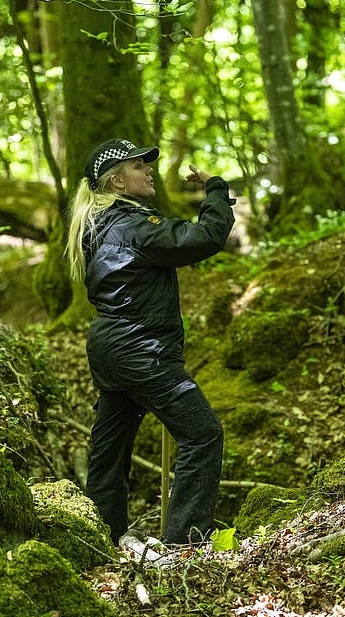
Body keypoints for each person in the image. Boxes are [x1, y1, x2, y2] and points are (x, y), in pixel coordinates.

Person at [65, 138, 236, 545]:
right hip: (141, 350)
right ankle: (186, 541)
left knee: (110, 453)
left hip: (111, 349)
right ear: (117, 181)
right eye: (139, 166)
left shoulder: (99, 226)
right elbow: (206, 237)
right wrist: (215, 188)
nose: (149, 170)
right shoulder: (132, 225)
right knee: (202, 433)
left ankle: (102, 540)